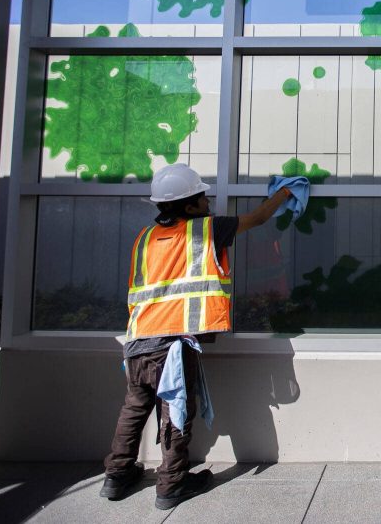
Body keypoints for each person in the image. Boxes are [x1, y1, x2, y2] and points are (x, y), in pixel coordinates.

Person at [99, 163, 293, 510]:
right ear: (188, 206)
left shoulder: (144, 238)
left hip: (137, 341)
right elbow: (260, 219)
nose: (208, 202)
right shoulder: (205, 230)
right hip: (171, 345)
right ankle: (171, 484)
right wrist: (285, 192)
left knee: (133, 408)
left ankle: (116, 475)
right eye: (202, 198)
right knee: (176, 412)